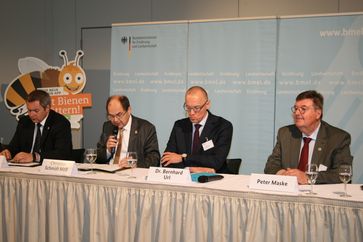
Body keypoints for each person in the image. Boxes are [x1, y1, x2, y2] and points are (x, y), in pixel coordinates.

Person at [264, 90, 353, 184]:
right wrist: (284, 174)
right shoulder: (285, 133)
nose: (297, 113)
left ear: (318, 113)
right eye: (296, 108)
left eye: (303, 109)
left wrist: (307, 177)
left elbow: (342, 173)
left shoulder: (338, 138)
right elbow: (271, 166)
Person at [161, 86, 233, 173]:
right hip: (183, 181)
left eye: (196, 108)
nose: (191, 113)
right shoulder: (179, 126)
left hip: (213, 181)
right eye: (188, 107)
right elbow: (166, 160)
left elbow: (216, 161)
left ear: (207, 104)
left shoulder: (223, 126)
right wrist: (190, 170)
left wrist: (183, 158)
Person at [0, 89, 73, 163]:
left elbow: (62, 153)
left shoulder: (60, 123)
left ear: (47, 108)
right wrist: (8, 152)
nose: (31, 115)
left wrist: (35, 157)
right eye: (29, 110)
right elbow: (14, 146)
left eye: (36, 111)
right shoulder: (24, 122)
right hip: (24, 168)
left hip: (48, 169)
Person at [96, 95, 160, 168]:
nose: (115, 120)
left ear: (129, 110)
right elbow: (98, 157)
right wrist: (108, 151)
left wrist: (135, 164)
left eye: (119, 115)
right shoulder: (108, 126)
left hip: (132, 174)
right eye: (111, 116)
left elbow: (154, 159)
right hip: (109, 172)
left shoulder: (146, 128)